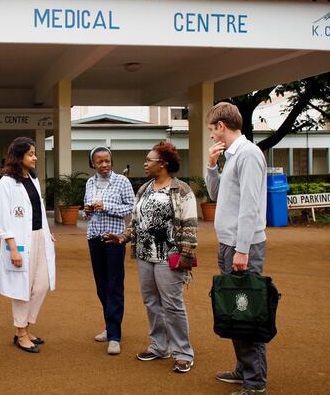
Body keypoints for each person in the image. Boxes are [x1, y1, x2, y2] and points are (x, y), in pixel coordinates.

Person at [104, 141, 197, 373]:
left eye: (149, 160)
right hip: (145, 255)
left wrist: (186, 255)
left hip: (170, 256)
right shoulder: (144, 188)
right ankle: (159, 346)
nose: (145, 164)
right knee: (151, 302)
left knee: (172, 304)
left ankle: (183, 352)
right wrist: (122, 237)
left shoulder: (182, 190)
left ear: (163, 164)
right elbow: (136, 222)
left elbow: (190, 226)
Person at [205, 102, 268, 395]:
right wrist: (211, 167)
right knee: (235, 307)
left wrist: (242, 250)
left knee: (246, 311)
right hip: (229, 244)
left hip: (242, 246)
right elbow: (217, 194)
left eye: (211, 130)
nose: (211, 136)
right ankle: (244, 369)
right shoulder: (232, 156)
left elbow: (250, 207)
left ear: (221, 126)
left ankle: (255, 382)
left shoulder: (249, 154)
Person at [0, 137, 56, 353]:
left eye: (34, 153)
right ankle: (21, 333)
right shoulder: (6, 183)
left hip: (39, 237)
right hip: (19, 241)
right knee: (22, 288)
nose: (35, 157)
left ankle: (26, 327)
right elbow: (3, 219)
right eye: (30, 154)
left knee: (40, 285)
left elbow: (37, 210)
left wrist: (47, 234)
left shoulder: (32, 179)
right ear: (19, 157)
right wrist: (12, 248)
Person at [82, 146, 134, 355]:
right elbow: (87, 212)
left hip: (114, 239)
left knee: (114, 284)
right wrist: (86, 210)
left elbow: (131, 207)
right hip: (94, 237)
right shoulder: (90, 182)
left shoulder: (122, 181)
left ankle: (114, 335)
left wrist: (106, 206)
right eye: (99, 162)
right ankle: (109, 325)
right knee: (101, 285)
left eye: (107, 161)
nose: (104, 165)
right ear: (92, 164)